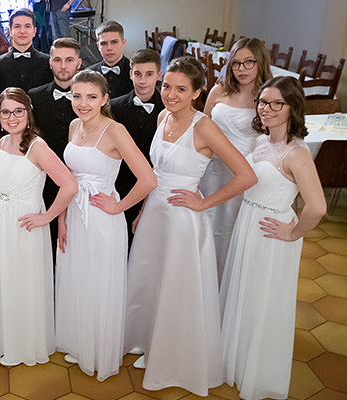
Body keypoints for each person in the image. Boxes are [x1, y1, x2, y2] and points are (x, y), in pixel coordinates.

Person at [124, 57, 257, 396]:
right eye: (167, 86)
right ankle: (149, 342)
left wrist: (203, 203)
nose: (170, 94)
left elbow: (246, 175)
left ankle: (174, 357)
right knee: (150, 280)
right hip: (154, 213)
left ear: (197, 92)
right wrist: (141, 211)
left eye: (181, 89)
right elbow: (155, 174)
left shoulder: (205, 127)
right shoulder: (162, 116)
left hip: (183, 221)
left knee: (176, 287)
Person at [221, 77, 325, 400]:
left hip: (271, 231)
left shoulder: (297, 153)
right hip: (249, 221)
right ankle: (235, 360)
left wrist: (293, 233)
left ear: (293, 107)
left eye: (276, 103)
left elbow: (317, 207)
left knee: (262, 299)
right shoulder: (262, 141)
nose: (266, 109)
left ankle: (258, 370)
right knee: (244, 292)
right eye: (263, 102)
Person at [55, 70, 156, 381]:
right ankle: (79, 343)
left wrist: (119, 207)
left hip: (101, 218)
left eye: (91, 97)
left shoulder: (115, 131)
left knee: (98, 282)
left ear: (104, 99)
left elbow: (148, 179)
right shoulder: (74, 126)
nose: (83, 103)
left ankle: (100, 350)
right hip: (75, 214)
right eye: (77, 96)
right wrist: (61, 219)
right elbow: (69, 180)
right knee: (77, 278)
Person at [0, 87, 77, 366]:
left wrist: (47, 216)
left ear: (28, 113)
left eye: (18, 111)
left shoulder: (37, 147)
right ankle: (5, 339)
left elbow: (69, 185)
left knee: (21, 283)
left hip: (24, 225)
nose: (12, 117)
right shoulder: (2, 143)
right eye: (5, 112)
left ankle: (24, 345)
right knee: (3, 280)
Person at [199, 38, 273, 280]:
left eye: (249, 62)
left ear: (261, 63)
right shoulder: (219, 90)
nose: (242, 69)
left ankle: (229, 285)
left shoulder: (268, 97)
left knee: (233, 229)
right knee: (208, 225)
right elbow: (202, 128)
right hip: (213, 170)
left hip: (247, 172)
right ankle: (204, 281)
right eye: (236, 63)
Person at [29, 37, 81, 258]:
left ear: (79, 63)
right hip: (44, 182)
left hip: (82, 180)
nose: (63, 66)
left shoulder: (89, 99)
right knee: (45, 246)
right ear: (50, 62)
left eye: (69, 60)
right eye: (57, 60)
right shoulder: (35, 96)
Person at [110, 49, 165, 245]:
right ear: (130, 74)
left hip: (156, 186)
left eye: (149, 74)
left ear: (159, 75)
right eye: (138, 74)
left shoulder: (168, 109)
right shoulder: (114, 107)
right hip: (121, 184)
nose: (142, 81)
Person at [0, 8, 52, 93]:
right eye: (17, 26)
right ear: (10, 31)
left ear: (34, 31)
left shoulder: (48, 63)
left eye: (27, 26)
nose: (22, 31)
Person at [87, 21, 134, 99]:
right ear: (98, 46)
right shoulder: (88, 74)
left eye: (114, 42)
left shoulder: (136, 72)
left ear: (123, 43)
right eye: (104, 43)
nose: (109, 48)